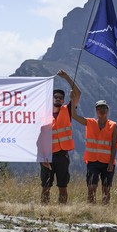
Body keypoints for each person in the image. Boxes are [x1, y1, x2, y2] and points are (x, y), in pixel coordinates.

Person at [41, 69, 81, 204]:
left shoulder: (68, 110)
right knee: (45, 186)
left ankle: (62, 213)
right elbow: (39, 138)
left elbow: (78, 93)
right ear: (51, 99)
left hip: (62, 155)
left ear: (63, 100)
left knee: (62, 186)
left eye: (60, 98)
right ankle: (44, 212)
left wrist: (67, 78)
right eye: (55, 97)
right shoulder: (44, 114)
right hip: (47, 156)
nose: (58, 99)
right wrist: (41, 157)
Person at [71, 99, 117, 204]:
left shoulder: (113, 126)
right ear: (96, 111)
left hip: (107, 162)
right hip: (92, 161)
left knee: (106, 189)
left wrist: (111, 162)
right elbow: (74, 116)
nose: (102, 110)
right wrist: (73, 101)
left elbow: (114, 146)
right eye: (99, 108)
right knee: (91, 187)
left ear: (107, 110)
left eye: (104, 108)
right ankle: (91, 210)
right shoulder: (90, 122)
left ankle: (104, 212)